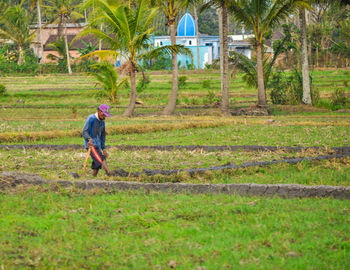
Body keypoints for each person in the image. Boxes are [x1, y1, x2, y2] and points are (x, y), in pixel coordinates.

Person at [82, 104, 111, 176]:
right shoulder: (91, 118)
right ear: (99, 111)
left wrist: (103, 148)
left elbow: (102, 136)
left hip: (98, 145)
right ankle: (109, 173)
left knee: (97, 163)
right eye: (103, 114)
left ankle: (93, 177)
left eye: (105, 115)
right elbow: (84, 131)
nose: (104, 116)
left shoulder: (102, 122)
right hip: (91, 145)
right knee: (101, 158)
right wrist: (89, 139)